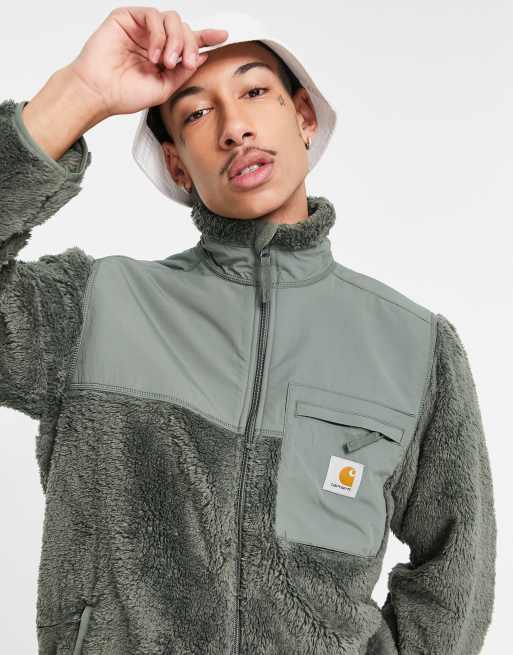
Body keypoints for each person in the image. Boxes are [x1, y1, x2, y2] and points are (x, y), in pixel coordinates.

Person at [0, 7, 496, 655]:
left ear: (304, 116)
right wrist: (80, 93)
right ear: (177, 165)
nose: (234, 127)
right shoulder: (92, 307)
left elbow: (456, 569)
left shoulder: (415, 347)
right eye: (197, 113)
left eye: (255, 91)